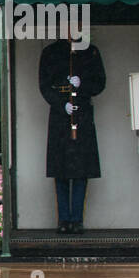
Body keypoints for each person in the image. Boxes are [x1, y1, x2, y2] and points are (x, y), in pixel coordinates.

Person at [39, 34, 105, 233]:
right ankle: (63, 219)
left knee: (81, 170)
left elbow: (100, 83)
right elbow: (44, 86)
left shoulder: (90, 51)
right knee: (60, 170)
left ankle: (77, 219)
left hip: (82, 114)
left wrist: (82, 84)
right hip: (60, 117)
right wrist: (61, 104)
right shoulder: (50, 53)